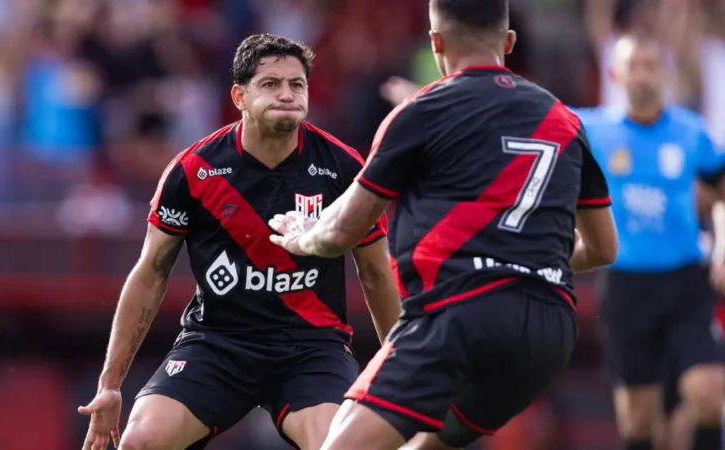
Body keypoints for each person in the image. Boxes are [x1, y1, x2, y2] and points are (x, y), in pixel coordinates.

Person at [268, 1, 618, 449]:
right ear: (508, 42)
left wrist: (302, 237)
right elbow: (603, 248)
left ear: (435, 42)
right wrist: (528, 258)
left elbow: (342, 231)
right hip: (548, 332)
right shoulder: (564, 120)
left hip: (460, 312)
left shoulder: (420, 111)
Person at [77, 33, 400, 450]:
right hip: (217, 344)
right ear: (239, 96)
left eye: (296, 84)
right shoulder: (194, 169)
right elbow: (150, 273)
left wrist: (401, 374)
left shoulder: (342, 167)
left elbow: (376, 273)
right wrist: (110, 384)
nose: (287, 94)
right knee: (140, 441)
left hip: (311, 348)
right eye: (270, 84)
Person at [576, 34, 725, 450]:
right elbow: (529, 122)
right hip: (626, 285)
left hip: (686, 281)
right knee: (638, 420)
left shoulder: (691, 132)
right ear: (615, 74)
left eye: (651, 65)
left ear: (667, 75)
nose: (643, 76)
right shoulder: (593, 129)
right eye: (634, 66)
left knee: (709, 393)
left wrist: (723, 244)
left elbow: (721, 191)